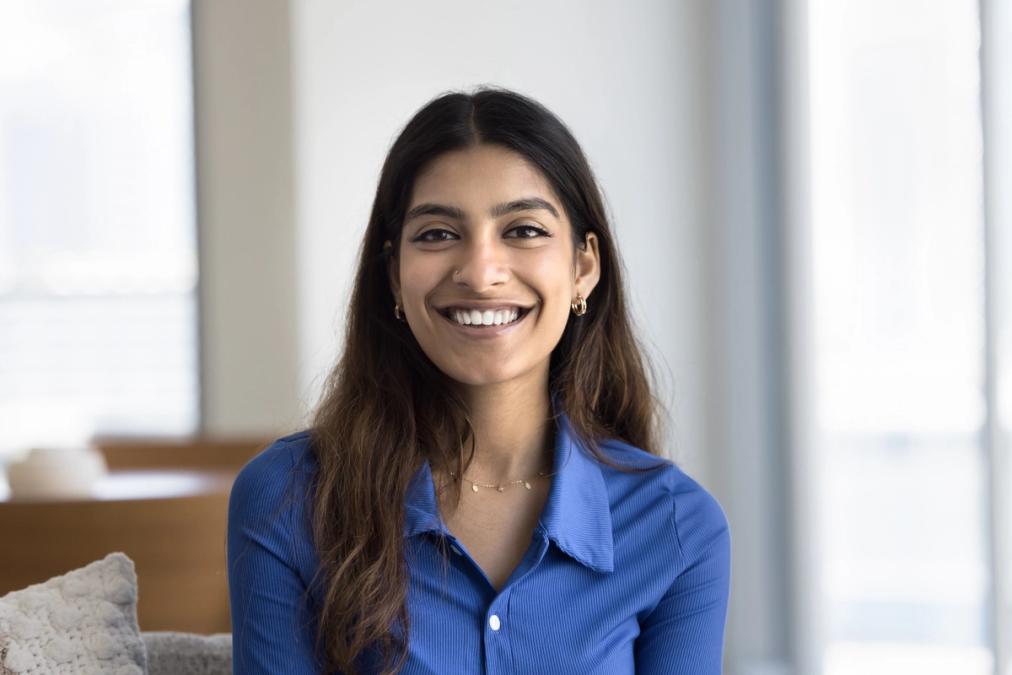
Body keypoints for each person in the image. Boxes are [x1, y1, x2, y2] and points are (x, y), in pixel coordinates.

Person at [227, 86, 731, 675]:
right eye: (438, 234)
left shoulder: (675, 526)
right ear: (393, 275)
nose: (481, 273)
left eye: (523, 230)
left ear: (583, 268)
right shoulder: (287, 500)